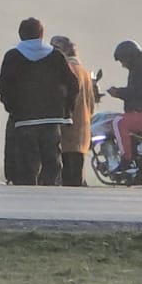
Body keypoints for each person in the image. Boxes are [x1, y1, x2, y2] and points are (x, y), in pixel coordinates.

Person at [0, 17, 77, 185]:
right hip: (52, 119)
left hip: (24, 120)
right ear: (42, 34)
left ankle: (28, 197)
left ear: (20, 35)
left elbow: (3, 86)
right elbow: (73, 85)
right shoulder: (56, 56)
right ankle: (48, 196)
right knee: (52, 162)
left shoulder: (13, 57)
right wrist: (66, 110)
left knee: (27, 164)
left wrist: (13, 109)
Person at [106, 39, 142, 176]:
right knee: (114, 119)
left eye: (123, 61)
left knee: (119, 123)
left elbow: (141, 91)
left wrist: (119, 92)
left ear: (130, 57)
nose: (122, 65)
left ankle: (127, 161)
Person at [50, 35, 95, 187]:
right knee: (76, 182)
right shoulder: (84, 72)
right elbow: (91, 105)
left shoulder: (65, 70)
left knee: (65, 183)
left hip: (66, 132)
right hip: (82, 134)